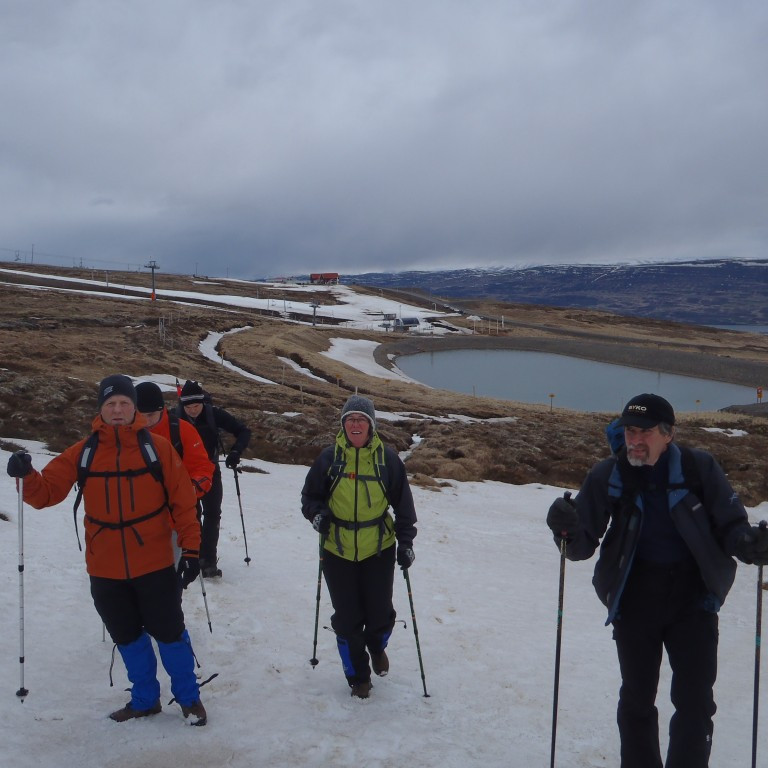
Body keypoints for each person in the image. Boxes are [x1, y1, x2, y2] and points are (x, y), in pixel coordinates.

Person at [545, 393, 768, 767]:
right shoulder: (609, 474)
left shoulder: (699, 468)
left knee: (695, 702)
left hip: (692, 599)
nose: (634, 440)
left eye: (644, 432)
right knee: (636, 699)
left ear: (668, 434)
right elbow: (580, 545)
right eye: (629, 430)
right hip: (634, 599)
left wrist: (750, 544)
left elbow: (731, 526)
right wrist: (563, 529)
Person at [6, 374, 208, 725]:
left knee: (170, 634)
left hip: (155, 563)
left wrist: (191, 550)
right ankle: (145, 699)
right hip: (105, 568)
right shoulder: (84, 451)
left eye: (124, 404)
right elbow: (46, 493)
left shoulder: (156, 449)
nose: (117, 410)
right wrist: (27, 476)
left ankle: (189, 698)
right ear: (101, 408)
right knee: (127, 636)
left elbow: (183, 502)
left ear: (135, 411)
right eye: (111, 404)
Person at [301, 394, 418, 699]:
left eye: (361, 419)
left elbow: (404, 507)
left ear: (371, 425)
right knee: (347, 619)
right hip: (337, 549)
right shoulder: (329, 459)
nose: (355, 424)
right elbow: (310, 498)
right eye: (350, 419)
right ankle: (358, 677)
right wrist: (318, 516)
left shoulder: (387, 460)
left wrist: (405, 543)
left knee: (380, 615)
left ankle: (377, 646)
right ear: (343, 424)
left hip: (378, 549)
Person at [177, 379, 252, 578]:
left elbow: (243, 430)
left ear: (203, 402)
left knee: (212, 515)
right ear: (182, 405)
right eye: (189, 407)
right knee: (191, 515)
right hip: (183, 476)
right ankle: (192, 556)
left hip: (210, 471)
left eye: (196, 406)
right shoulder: (174, 419)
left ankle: (208, 560)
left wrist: (235, 452)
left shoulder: (213, 414)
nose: (193, 410)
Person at [135, 381, 215, 502]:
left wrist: (192, 489)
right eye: (141, 415)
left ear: (161, 410)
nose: (146, 421)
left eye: (151, 415)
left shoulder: (183, 430)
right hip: (140, 509)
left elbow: (200, 467)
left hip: (180, 508)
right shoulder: (126, 433)